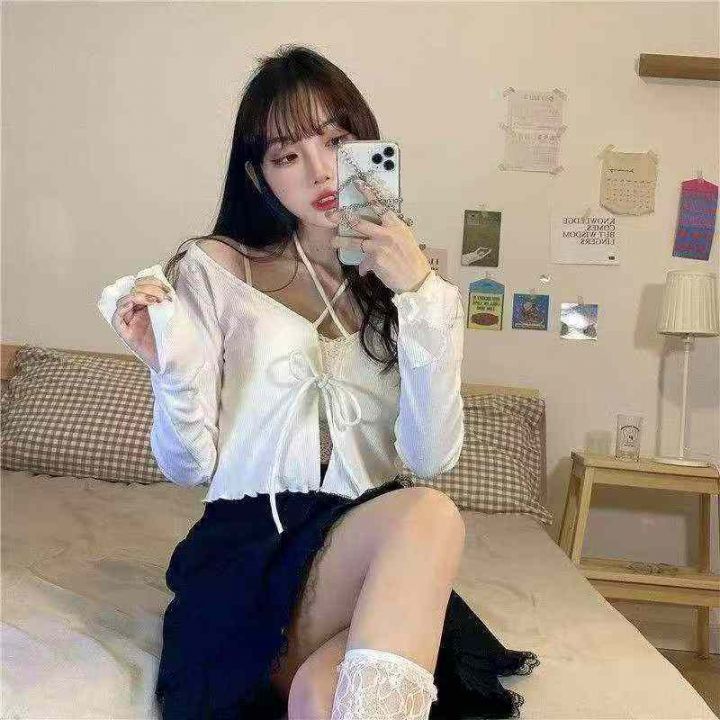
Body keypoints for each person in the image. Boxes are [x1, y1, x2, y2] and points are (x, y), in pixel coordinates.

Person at [97, 44, 539, 720]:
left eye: (335, 141)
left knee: (322, 694)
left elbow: (429, 456)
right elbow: (187, 464)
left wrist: (423, 295)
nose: (320, 170)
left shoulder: (406, 281)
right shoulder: (218, 269)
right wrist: (171, 368)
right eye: (287, 155)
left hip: (369, 551)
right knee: (429, 514)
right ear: (258, 175)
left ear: (367, 144)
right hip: (252, 554)